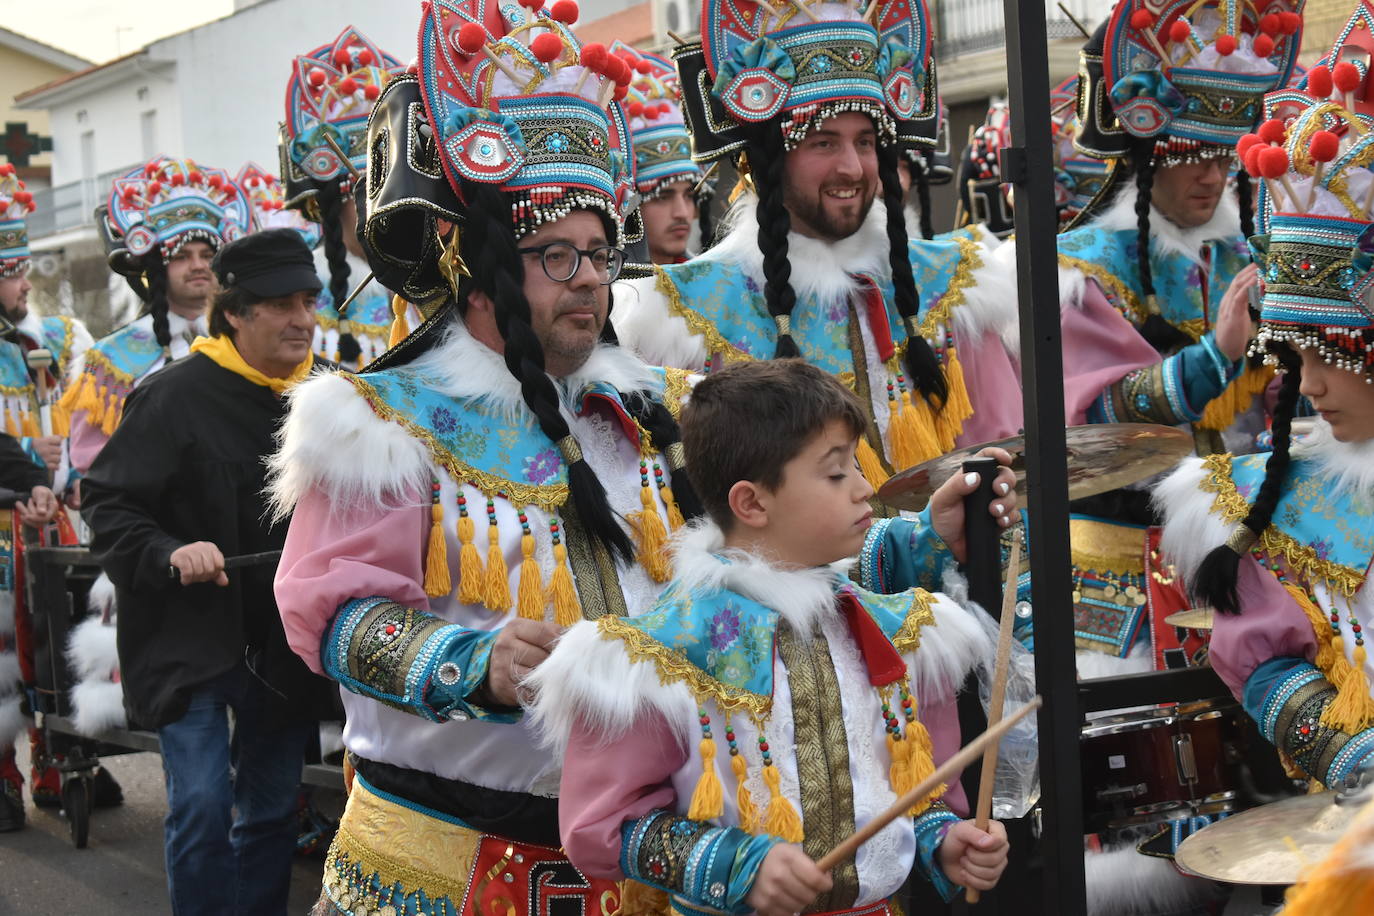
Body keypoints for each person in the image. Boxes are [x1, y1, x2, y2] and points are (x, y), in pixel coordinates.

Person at [268, 4, 1016, 911]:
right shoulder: (380, 422)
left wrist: (908, 544)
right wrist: (471, 661)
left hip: (654, 857)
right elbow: (332, 615)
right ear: (478, 262)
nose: (591, 277)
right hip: (453, 862)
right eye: (556, 255)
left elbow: (756, 567)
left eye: (597, 251)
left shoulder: (661, 408)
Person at [531, 359, 1010, 914]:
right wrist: (737, 864)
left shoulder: (898, 633)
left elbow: (914, 795)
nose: (865, 489)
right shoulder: (656, 658)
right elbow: (604, 824)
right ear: (752, 503)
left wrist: (945, 842)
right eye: (836, 473)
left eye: (856, 465)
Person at [613, 0, 1022, 480]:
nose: (851, 166)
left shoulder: (955, 287)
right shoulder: (684, 315)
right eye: (823, 142)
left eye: (865, 141)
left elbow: (1008, 458)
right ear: (767, 160)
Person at [81, 228, 336, 916]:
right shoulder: (171, 397)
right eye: (281, 305)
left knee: (273, 811)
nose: (303, 320)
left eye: (308, 302)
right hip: (189, 639)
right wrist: (169, 551)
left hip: (280, 643)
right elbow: (108, 501)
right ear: (235, 314)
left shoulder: (323, 401)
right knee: (199, 806)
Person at [1157, 34, 1374, 790]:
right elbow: (1263, 662)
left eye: (1327, 356)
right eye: (1296, 358)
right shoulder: (1273, 504)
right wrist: (1346, 754)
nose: (1307, 387)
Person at [62, 156, 253, 478]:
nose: (198, 265)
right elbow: (92, 464)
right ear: (157, 266)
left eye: (207, 255)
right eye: (182, 256)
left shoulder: (248, 339)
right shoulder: (110, 360)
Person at [0, 164, 92, 818]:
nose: (24, 282)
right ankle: (3, 773)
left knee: (58, 640)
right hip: (7, 518)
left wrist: (76, 473)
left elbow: (92, 418)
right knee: (2, 651)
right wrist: (30, 467)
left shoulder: (58, 339)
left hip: (52, 518)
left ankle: (58, 756)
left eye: (22, 267)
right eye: (10, 272)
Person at [279, 26, 405, 367]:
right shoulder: (300, 299)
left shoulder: (444, 282)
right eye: (368, 194)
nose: (387, 209)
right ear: (330, 207)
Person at [0, 429, 61, 831]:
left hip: (13, 532)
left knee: (47, 638)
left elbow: (6, 455)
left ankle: (56, 756)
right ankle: (5, 777)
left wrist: (39, 485)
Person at [612, 44, 709, 266]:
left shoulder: (713, 287)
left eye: (688, 194)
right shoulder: (612, 296)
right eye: (662, 196)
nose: (682, 213)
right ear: (629, 205)